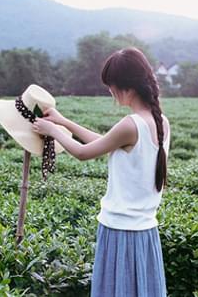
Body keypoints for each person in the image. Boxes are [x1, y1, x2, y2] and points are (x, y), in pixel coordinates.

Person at [31, 46, 170, 297]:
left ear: (126, 87)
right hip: (144, 230)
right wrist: (64, 122)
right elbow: (106, 143)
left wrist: (52, 131)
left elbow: (84, 153)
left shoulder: (131, 124)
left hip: (121, 231)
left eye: (111, 86)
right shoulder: (159, 121)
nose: (111, 92)